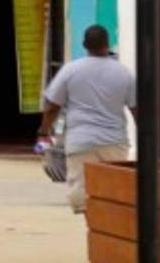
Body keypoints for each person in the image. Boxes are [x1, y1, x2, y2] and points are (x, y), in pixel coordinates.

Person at [37, 24, 136, 213]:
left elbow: (52, 106)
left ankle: (90, 222)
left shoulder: (70, 70)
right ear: (108, 44)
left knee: (79, 186)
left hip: (80, 140)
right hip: (114, 142)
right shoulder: (124, 73)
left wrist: (43, 132)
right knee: (114, 187)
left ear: (84, 44)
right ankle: (108, 224)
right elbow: (136, 109)